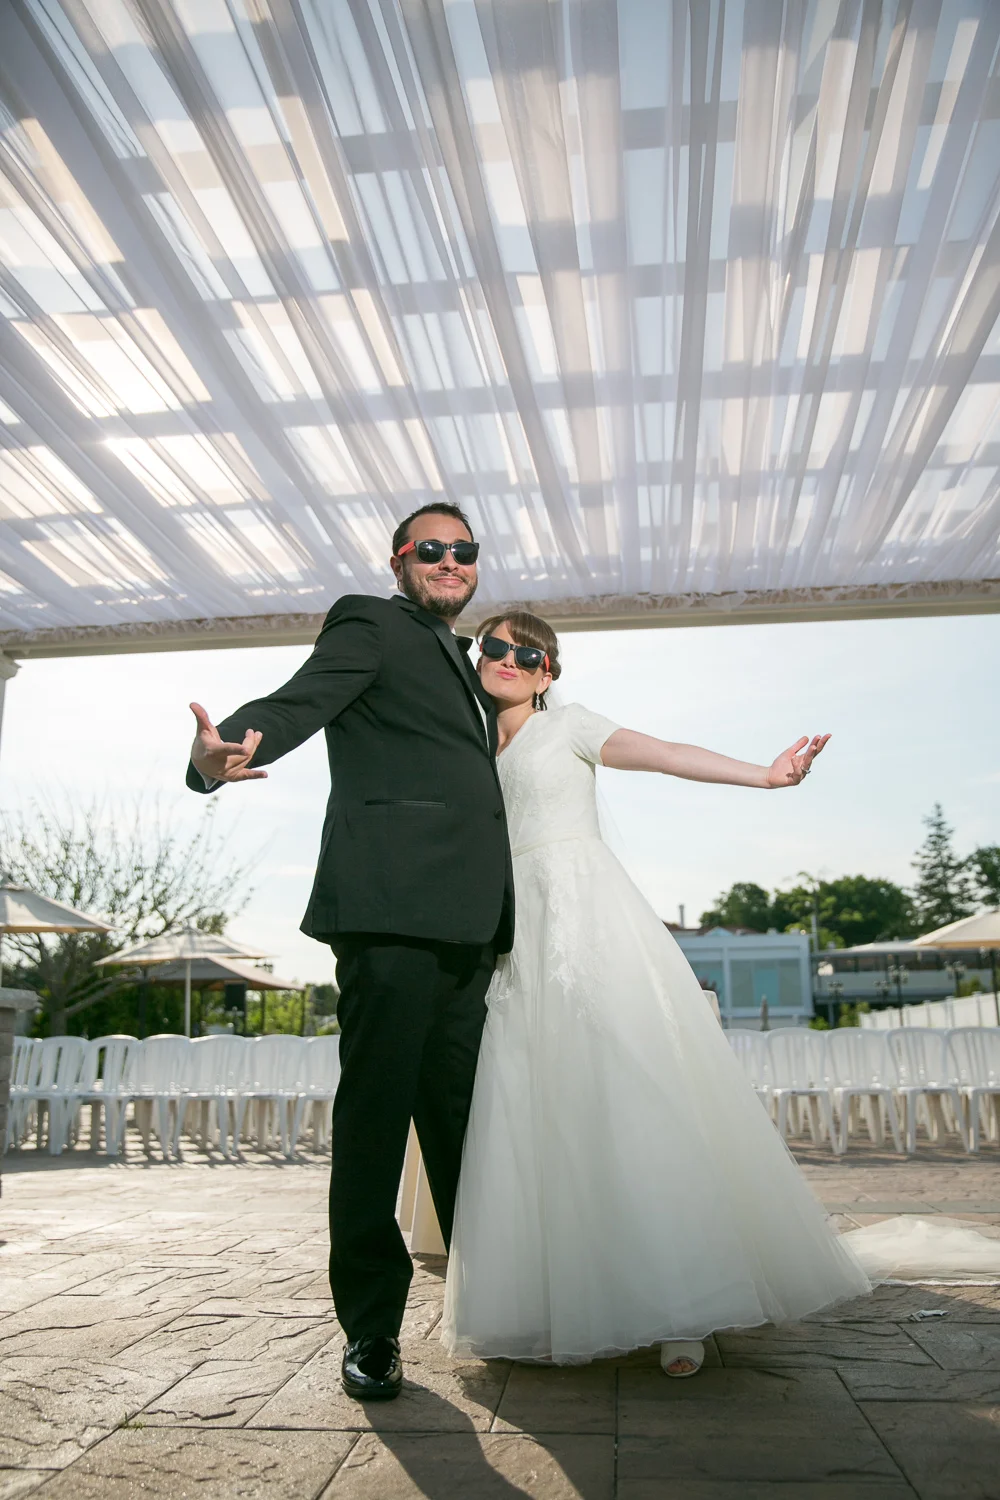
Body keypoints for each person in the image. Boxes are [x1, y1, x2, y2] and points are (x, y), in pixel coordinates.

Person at [441, 611, 873, 1376]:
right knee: (538, 1108)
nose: (508, 658)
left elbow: (668, 754)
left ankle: (687, 1308)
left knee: (631, 1092)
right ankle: (556, 1300)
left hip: (586, 919)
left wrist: (765, 775)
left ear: (548, 672)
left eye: (526, 653)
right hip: (513, 937)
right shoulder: (468, 745)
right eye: (495, 646)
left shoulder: (570, 725)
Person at [186, 503, 513, 1401]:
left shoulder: (469, 662)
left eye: (465, 550)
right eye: (431, 548)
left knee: (463, 1125)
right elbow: (301, 698)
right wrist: (221, 752)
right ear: (400, 560)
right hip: (391, 913)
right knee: (376, 1123)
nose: (450, 560)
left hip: (469, 926)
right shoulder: (370, 623)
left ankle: (494, 1304)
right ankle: (372, 1328)